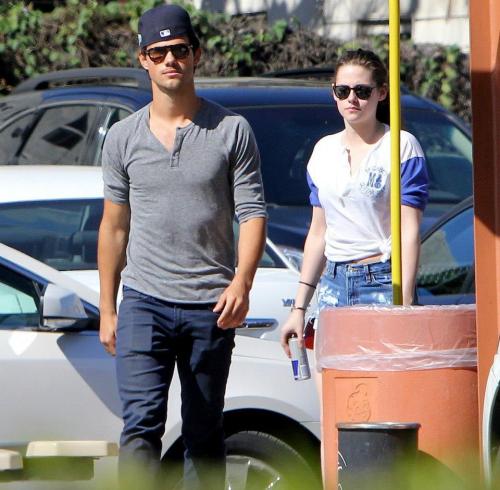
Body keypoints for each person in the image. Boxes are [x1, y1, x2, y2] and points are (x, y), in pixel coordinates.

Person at [97, 4, 266, 488]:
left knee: (204, 432)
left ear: (196, 55)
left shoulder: (231, 130)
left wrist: (242, 281)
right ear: (144, 60)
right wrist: (108, 307)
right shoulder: (123, 138)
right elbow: (113, 228)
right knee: (141, 428)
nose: (171, 60)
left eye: (180, 50)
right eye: (160, 52)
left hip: (209, 305)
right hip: (144, 303)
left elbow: (252, 213)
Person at [280, 48, 429, 476]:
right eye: (342, 90)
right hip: (334, 282)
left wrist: (404, 297)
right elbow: (318, 234)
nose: (352, 99)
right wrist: (298, 308)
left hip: (382, 275)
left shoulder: (401, 144)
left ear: (381, 93)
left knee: (382, 400)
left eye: (362, 91)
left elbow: (409, 229)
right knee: (336, 401)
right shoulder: (322, 152)